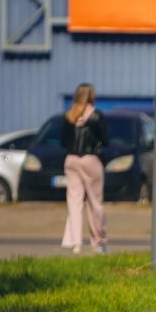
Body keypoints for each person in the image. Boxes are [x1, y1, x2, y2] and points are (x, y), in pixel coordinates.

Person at [60, 83, 109, 254]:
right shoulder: (96, 116)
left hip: (71, 160)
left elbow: (63, 141)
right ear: (91, 96)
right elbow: (105, 139)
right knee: (95, 202)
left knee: (74, 202)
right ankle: (99, 242)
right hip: (90, 159)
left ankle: (75, 243)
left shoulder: (69, 115)